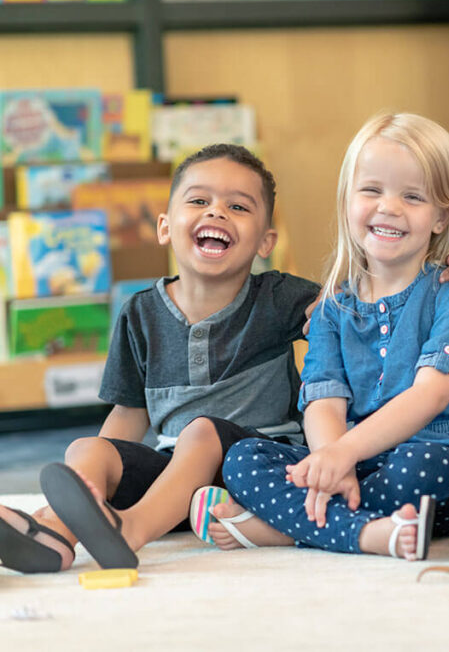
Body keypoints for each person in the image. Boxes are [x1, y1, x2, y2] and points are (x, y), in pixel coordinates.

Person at [0, 144, 322, 573]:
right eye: (199, 200)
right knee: (87, 447)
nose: (217, 212)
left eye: (238, 206)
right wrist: (103, 466)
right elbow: (131, 412)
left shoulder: (279, 297)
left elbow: (359, 306)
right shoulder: (140, 312)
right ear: (165, 227)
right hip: (172, 481)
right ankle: (56, 529)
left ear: (265, 241)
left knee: (201, 431)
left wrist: (349, 301)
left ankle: (130, 531)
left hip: (258, 471)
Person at [204, 112, 449, 561]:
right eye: (372, 190)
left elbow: (430, 397)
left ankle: (291, 527)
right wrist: (331, 462)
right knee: (242, 459)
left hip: (435, 456)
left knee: (420, 469)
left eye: (413, 196)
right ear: (347, 201)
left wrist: (342, 457)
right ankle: (368, 532)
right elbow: (323, 398)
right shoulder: (332, 306)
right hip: (356, 463)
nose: (389, 207)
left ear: (441, 217)